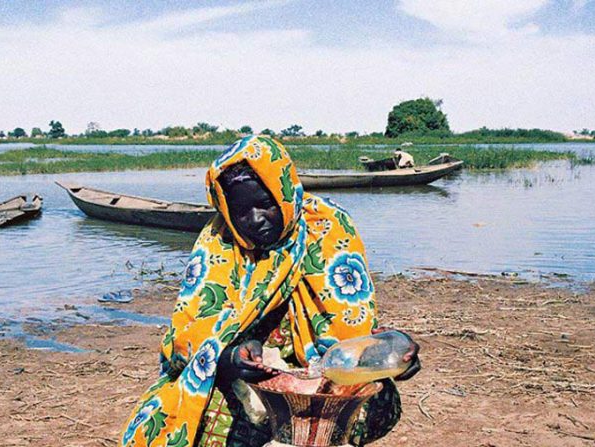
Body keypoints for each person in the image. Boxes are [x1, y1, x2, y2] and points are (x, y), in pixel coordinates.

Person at [121, 136, 420, 447]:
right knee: (214, 414)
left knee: (377, 401)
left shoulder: (328, 227)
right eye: (240, 211)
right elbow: (187, 338)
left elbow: (353, 330)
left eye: (265, 204)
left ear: (285, 192)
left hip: (321, 372)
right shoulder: (218, 243)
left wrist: (391, 356)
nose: (255, 220)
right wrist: (230, 357)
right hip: (250, 378)